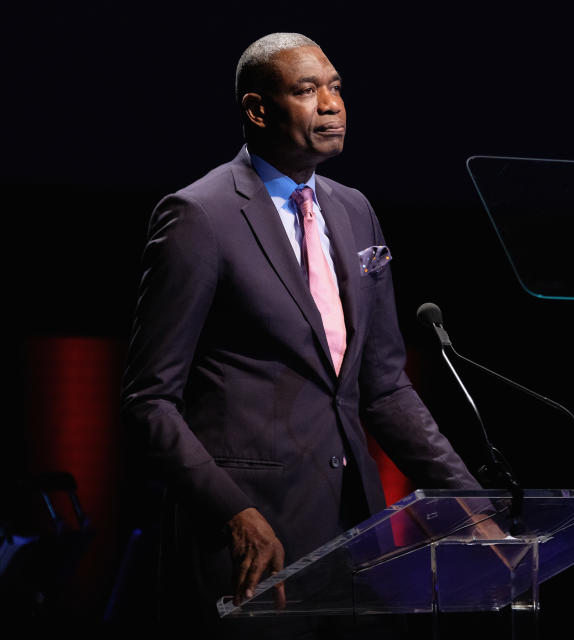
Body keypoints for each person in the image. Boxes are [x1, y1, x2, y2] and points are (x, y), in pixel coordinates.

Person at [119, 32, 480, 635]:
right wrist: (232, 509)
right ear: (258, 109)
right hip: (250, 539)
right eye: (307, 90)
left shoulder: (355, 210)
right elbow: (149, 401)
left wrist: (467, 503)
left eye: (336, 88)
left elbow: (384, 386)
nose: (331, 104)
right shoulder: (199, 217)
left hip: (353, 530)